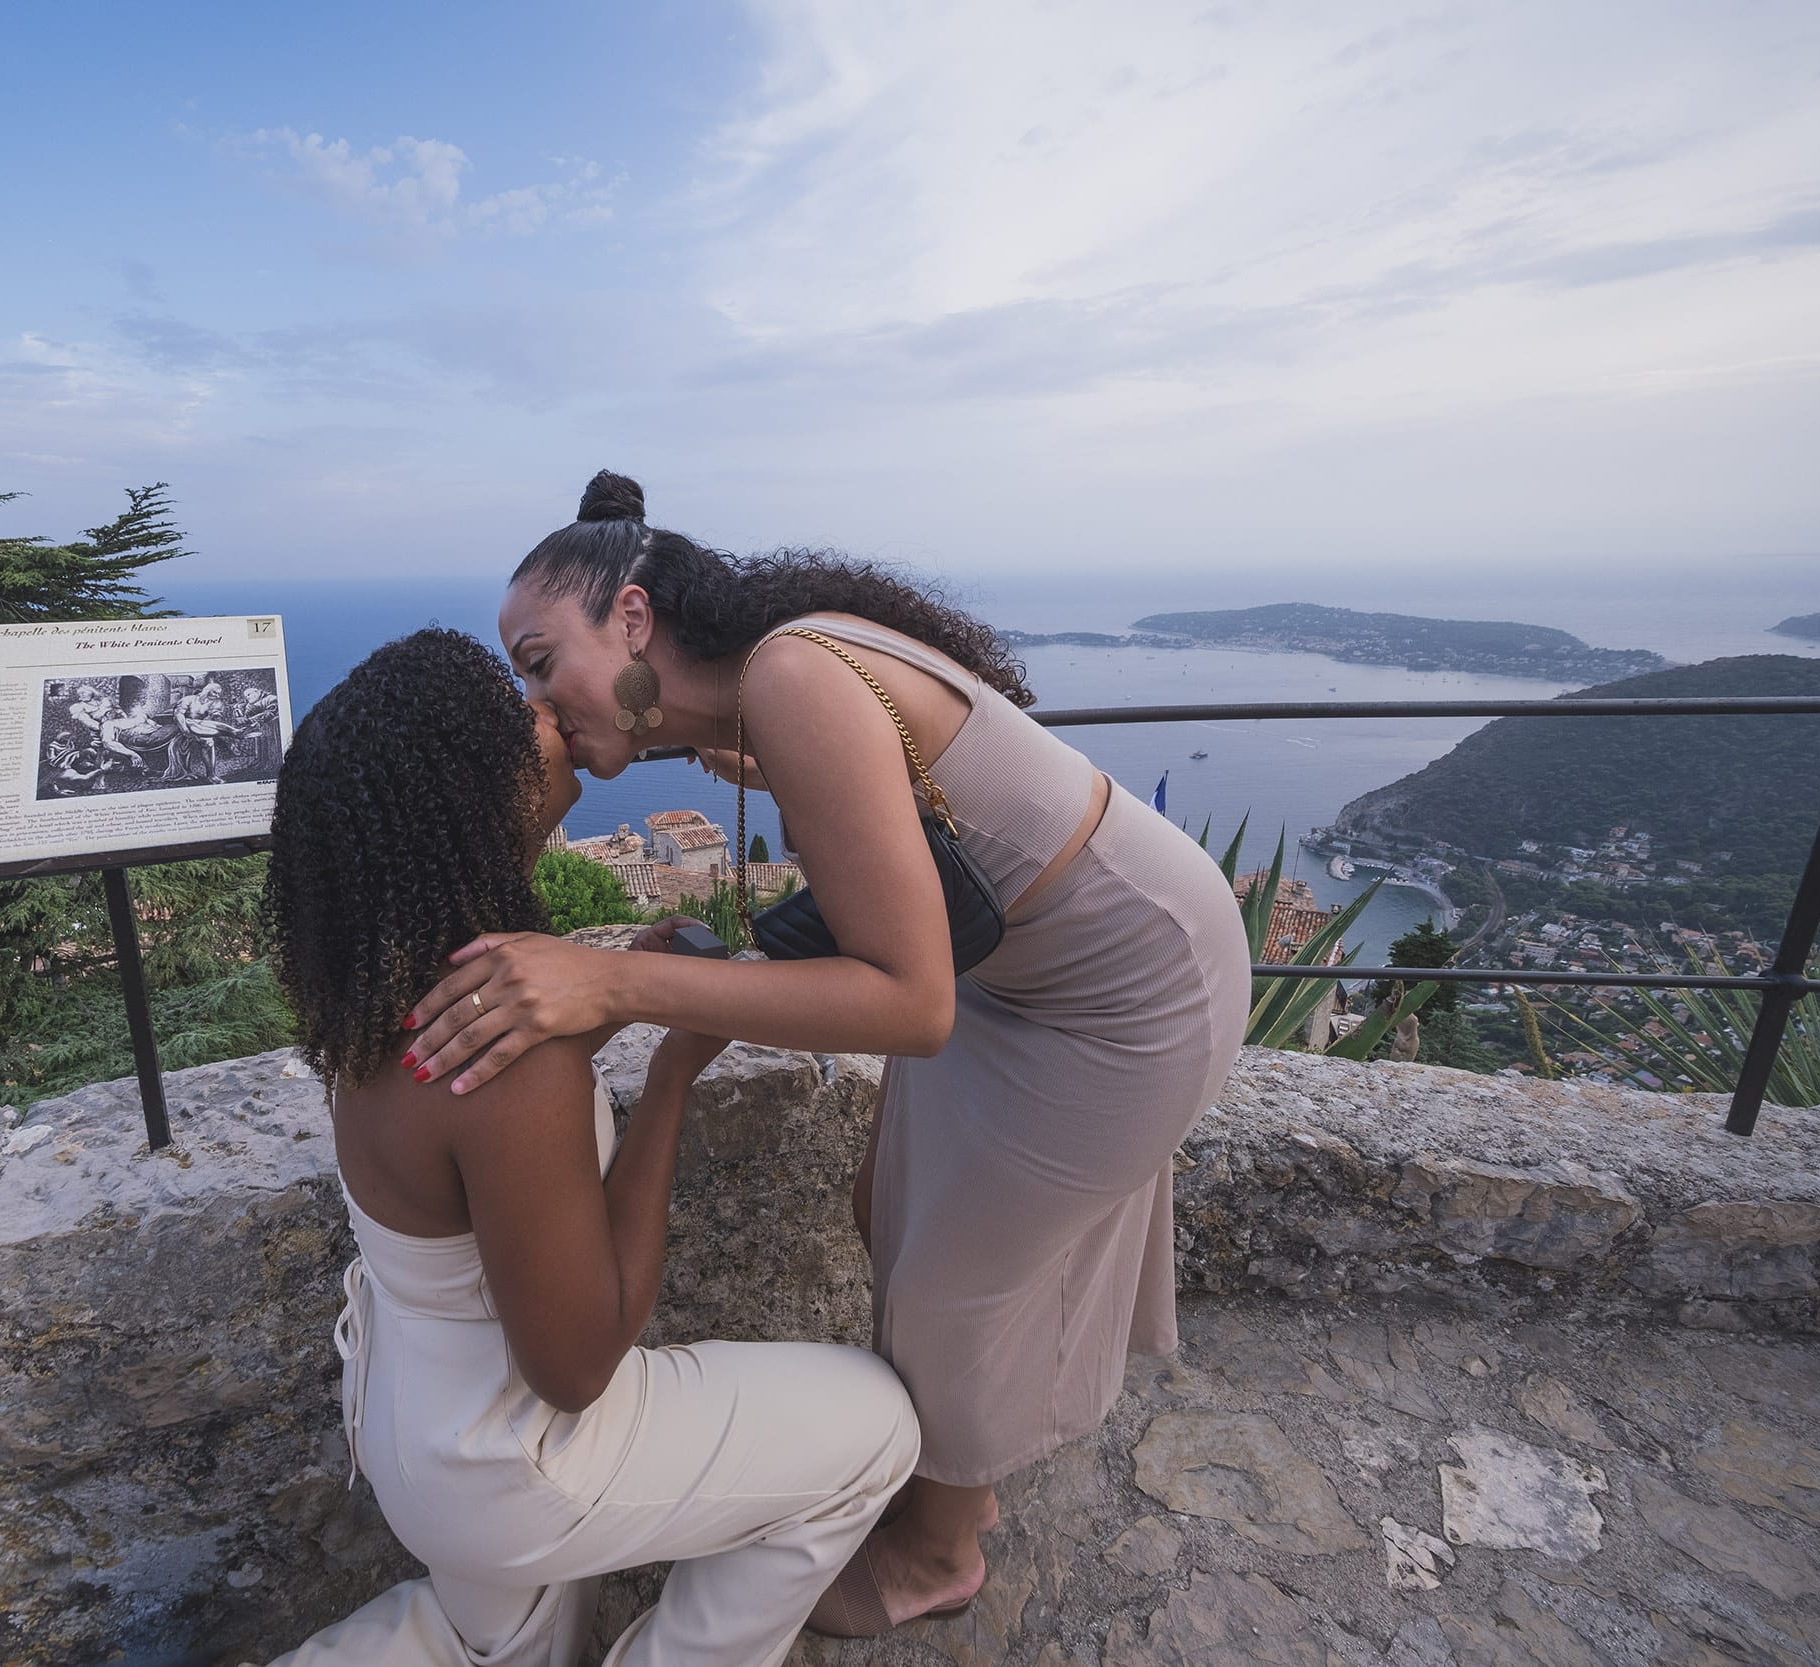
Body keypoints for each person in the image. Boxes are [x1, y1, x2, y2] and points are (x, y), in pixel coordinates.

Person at [403, 475, 1251, 1633]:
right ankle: (963, 1466)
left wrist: (610, 976)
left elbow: (909, 1005)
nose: (537, 705)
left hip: (1123, 988)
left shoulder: (792, 677)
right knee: (887, 1203)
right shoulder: (774, 692)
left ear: (635, 619)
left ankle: (940, 1548)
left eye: (541, 660)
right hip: (1016, 969)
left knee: (954, 1282)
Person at [255, 628, 919, 1666]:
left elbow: (467, 1129)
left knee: (505, 1639)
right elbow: (577, 1365)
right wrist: (666, 1084)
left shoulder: (382, 990)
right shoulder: (515, 1071)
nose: (548, 710)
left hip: (405, 1424)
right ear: (473, 799)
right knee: (880, 1424)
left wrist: (608, 1004)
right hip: (512, 1458)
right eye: (515, 714)